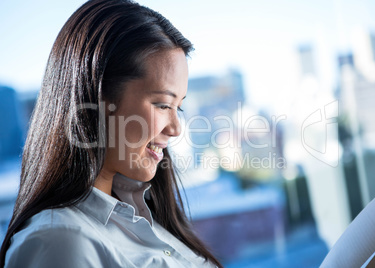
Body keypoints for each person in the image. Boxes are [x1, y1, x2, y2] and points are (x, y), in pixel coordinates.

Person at [0, 0, 223, 267]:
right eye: (163, 104)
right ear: (98, 98)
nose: (175, 129)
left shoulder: (138, 215)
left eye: (179, 108)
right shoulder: (61, 242)